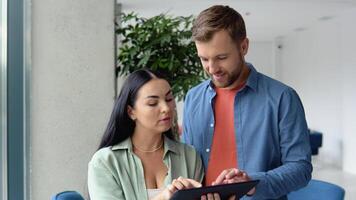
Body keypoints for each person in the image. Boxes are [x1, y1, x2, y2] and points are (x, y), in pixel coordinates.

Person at [182, 5, 312, 200]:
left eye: (221, 57)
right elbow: (186, 161)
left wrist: (252, 183)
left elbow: (301, 168)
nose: (212, 68)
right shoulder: (193, 98)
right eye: (204, 59)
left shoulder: (283, 98)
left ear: (244, 47)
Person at [88, 69, 204, 200]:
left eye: (169, 99)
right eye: (152, 103)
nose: (166, 108)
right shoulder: (105, 162)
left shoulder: (190, 156)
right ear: (131, 111)